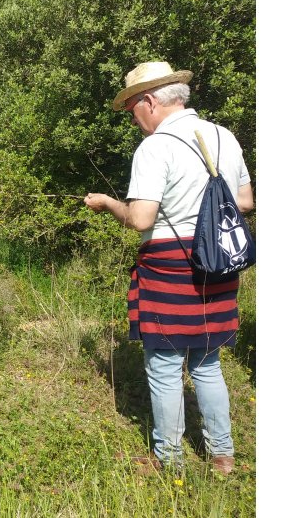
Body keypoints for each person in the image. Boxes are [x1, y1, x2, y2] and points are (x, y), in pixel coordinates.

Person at [84, 62, 254, 475]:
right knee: (207, 362)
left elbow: (141, 219)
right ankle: (223, 456)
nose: (132, 118)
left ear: (149, 101)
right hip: (218, 262)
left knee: (163, 366)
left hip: (170, 263)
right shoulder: (224, 136)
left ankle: (169, 459)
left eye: (131, 109)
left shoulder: (155, 146)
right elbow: (246, 201)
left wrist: (108, 203)